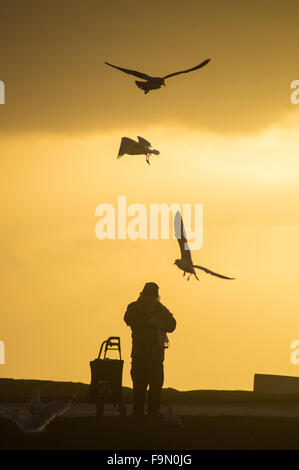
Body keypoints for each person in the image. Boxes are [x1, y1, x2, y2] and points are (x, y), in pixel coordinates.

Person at [124, 282, 176, 415]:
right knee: (139, 386)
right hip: (140, 355)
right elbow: (128, 319)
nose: (151, 299)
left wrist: (160, 324)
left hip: (156, 356)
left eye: (153, 296)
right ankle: (138, 414)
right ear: (144, 294)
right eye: (149, 296)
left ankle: (153, 412)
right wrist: (148, 321)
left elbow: (172, 324)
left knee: (156, 385)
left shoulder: (160, 309)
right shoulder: (134, 307)